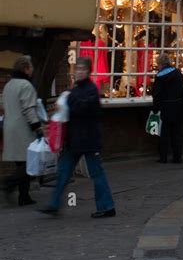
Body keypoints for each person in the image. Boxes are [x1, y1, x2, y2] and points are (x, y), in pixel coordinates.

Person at [39, 57, 115, 218]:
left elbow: (83, 108)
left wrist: (68, 99)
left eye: (82, 69)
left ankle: (107, 206)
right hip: (74, 140)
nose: (79, 72)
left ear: (88, 71)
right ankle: (54, 204)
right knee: (63, 172)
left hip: (88, 141)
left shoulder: (91, 90)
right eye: (77, 69)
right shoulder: (75, 89)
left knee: (96, 173)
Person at [2, 55, 43, 206]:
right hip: (23, 129)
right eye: (31, 67)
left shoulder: (9, 85)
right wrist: (37, 127)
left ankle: (24, 197)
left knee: (22, 163)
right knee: (30, 164)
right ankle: (8, 184)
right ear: (25, 68)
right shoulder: (26, 85)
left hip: (10, 127)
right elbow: (29, 109)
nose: (32, 69)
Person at [152, 52, 183, 163]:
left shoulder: (159, 76)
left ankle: (163, 157)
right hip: (178, 106)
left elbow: (157, 94)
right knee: (176, 133)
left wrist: (156, 108)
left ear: (160, 64)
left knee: (164, 133)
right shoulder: (177, 73)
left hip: (166, 106)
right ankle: (177, 156)